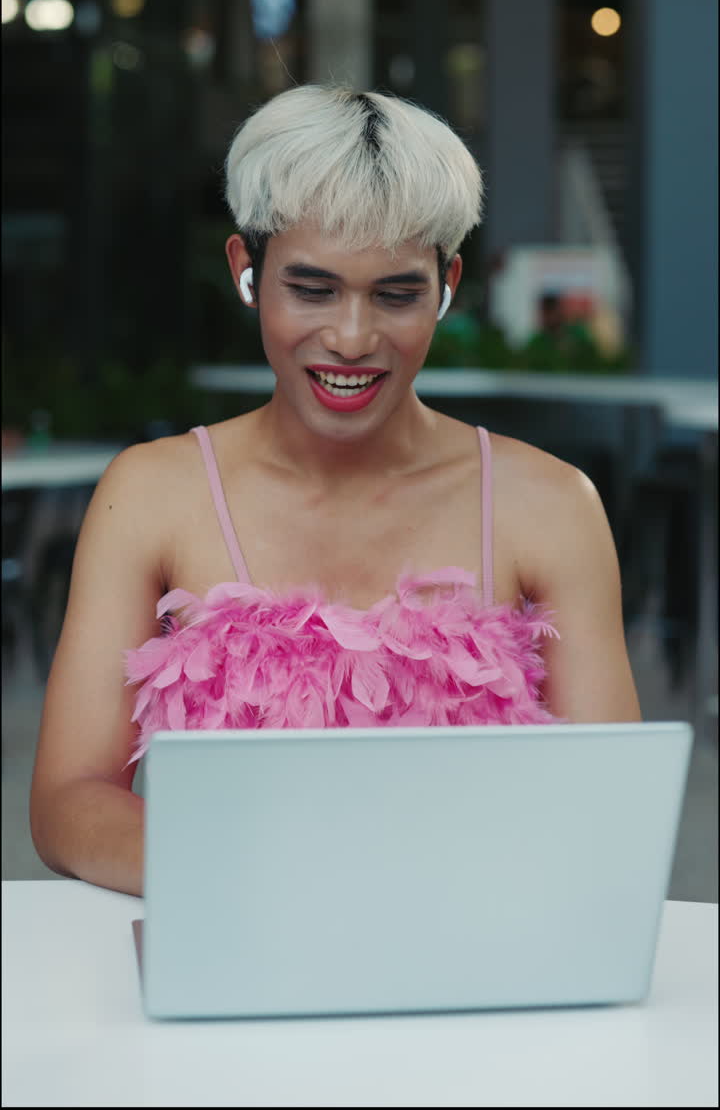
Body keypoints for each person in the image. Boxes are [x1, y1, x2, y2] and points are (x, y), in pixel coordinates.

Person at [30, 85, 641, 898]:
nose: (352, 339)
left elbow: (614, 816)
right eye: (312, 290)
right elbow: (70, 800)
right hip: (231, 957)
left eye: (396, 294)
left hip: (477, 967)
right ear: (247, 273)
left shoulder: (551, 505)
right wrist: (284, 883)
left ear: (447, 284)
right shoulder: (152, 494)